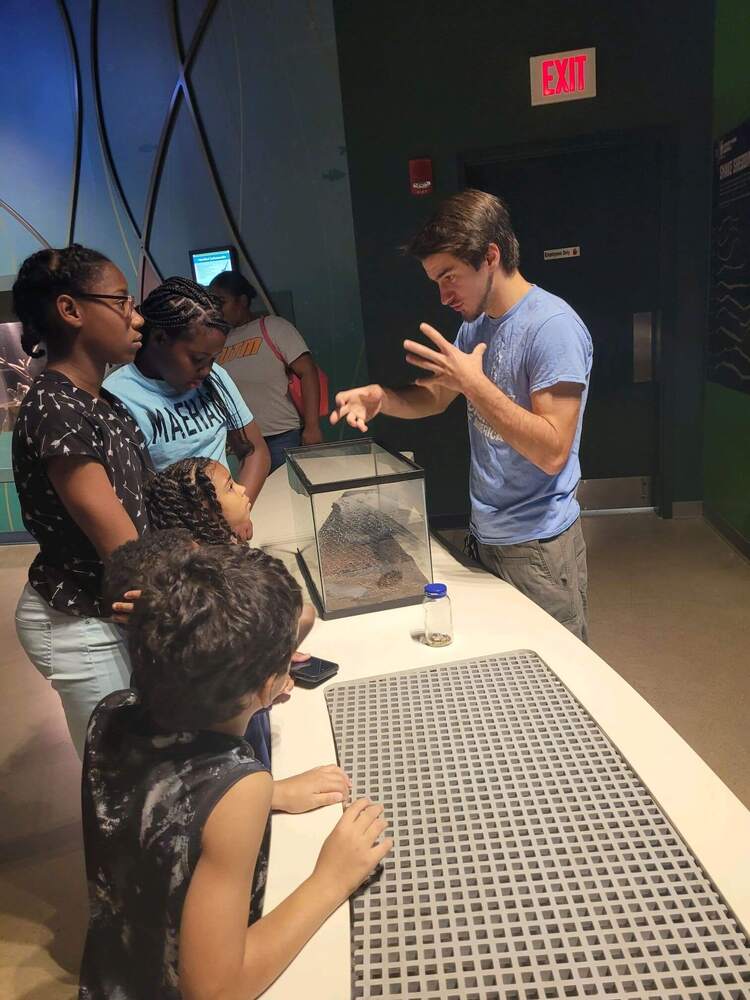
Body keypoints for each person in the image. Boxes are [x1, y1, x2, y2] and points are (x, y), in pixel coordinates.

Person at [79, 540, 392, 999]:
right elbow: (217, 990)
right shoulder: (238, 792)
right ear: (269, 685)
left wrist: (273, 794)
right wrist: (331, 878)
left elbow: (167, 795)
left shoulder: (111, 711)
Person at [331, 189, 593, 642]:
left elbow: (552, 451)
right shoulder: (477, 324)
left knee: (554, 678)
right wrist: (383, 399)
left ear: (491, 255)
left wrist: (474, 383)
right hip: (487, 533)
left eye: (449, 276)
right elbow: (437, 395)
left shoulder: (553, 327)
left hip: (539, 545)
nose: (443, 294)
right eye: (435, 280)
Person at [11, 245, 152, 756]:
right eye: (121, 302)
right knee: (120, 775)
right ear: (71, 310)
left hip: (114, 607)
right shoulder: (56, 408)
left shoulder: (100, 400)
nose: (136, 317)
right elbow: (122, 548)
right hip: (81, 619)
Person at [104, 276, 270, 504]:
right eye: (198, 359)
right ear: (160, 338)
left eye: (213, 360)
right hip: (169, 536)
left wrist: (235, 514)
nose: (206, 371)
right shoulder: (117, 397)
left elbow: (255, 451)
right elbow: (126, 498)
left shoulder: (216, 378)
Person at [208, 271, 324, 470]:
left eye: (221, 302)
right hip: (245, 443)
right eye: (213, 304)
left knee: (290, 496)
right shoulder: (221, 340)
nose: (216, 309)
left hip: (283, 437)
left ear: (242, 300)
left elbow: (308, 372)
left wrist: (312, 426)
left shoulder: (274, 326)